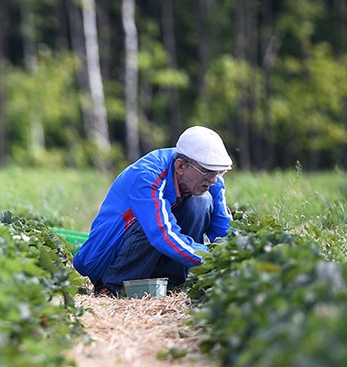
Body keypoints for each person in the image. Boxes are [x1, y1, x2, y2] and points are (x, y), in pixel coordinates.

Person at [73, 126, 234, 296]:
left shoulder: (210, 180)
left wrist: (237, 255)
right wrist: (211, 258)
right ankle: (113, 287)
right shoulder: (147, 176)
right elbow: (162, 234)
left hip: (152, 253)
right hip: (107, 258)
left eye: (219, 172)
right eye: (208, 172)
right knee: (152, 220)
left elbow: (224, 228)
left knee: (202, 200)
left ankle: (173, 284)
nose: (214, 179)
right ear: (180, 166)